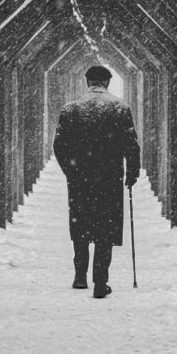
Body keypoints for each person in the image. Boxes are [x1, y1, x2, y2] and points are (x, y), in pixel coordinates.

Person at [53, 65, 141, 298]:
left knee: (80, 224)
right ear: (107, 83)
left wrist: (71, 170)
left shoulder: (71, 109)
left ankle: (80, 275)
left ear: (87, 82)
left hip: (80, 179)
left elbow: (59, 145)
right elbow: (131, 145)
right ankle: (101, 281)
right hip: (110, 178)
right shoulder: (120, 109)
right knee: (106, 228)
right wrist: (132, 172)